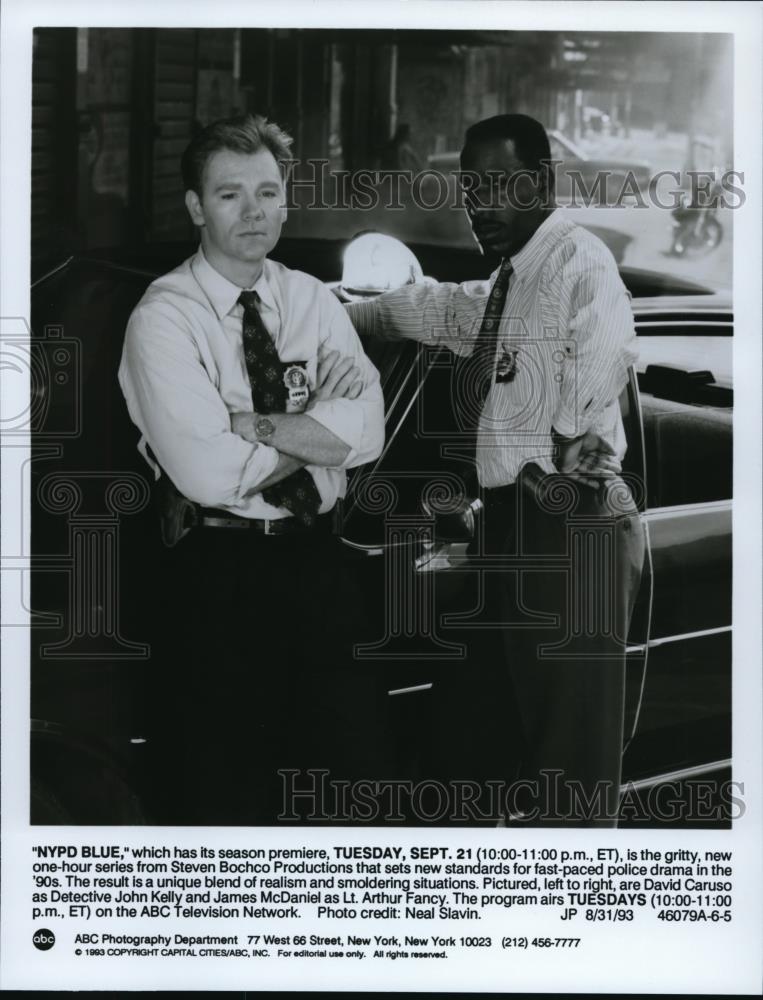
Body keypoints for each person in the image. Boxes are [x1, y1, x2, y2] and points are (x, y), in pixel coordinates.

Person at [346, 113, 646, 827]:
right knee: (470, 744)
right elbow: (437, 309)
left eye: (502, 185)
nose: (482, 205)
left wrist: (563, 434)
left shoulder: (577, 260)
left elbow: (605, 352)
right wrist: (338, 316)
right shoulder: (509, 285)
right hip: (510, 530)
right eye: (470, 188)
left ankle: (569, 921)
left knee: (568, 765)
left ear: (541, 181)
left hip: (571, 525)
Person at [118, 114, 385, 824]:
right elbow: (208, 474)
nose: (254, 211)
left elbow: (369, 431)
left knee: (340, 783)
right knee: (225, 789)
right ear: (196, 208)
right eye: (230, 194)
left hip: (320, 563)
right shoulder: (165, 318)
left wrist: (254, 426)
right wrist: (317, 428)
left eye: (268, 192)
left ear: (286, 202)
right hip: (216, 574)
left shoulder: (309, 299)